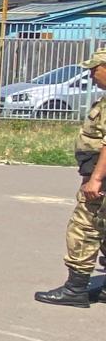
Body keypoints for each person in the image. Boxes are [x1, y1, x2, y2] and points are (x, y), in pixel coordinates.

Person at [35, 48, 106, 306]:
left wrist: (96, 179)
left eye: (95, 69)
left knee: (84, 228)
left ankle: (75, 289)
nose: (91, 75)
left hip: (102, 179)